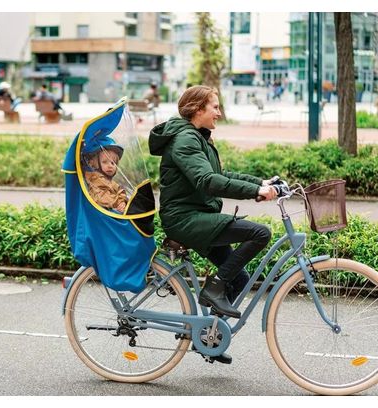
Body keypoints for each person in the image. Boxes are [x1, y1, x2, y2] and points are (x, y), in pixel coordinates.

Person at [148, 85, 277, 362]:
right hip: (185, 218)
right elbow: (208, 182)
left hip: (197, 215)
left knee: (240, 278)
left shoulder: (197, 137)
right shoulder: (185, 140)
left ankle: (209, 337)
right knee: (259, 233)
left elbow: (218, 174)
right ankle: (213, 289)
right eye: (215, 107)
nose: (219, 112)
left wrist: (260, 183)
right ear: (197, 109)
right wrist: (254, 193)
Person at [83, 143, 128, 213]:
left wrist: (122, 202)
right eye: (105, 162)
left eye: (113, 163)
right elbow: (102, 198)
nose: (110, 166)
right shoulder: (95, 179)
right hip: (101, 219)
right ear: (93, 163)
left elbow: (120, 191)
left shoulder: (110, 181)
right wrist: (118, 203)